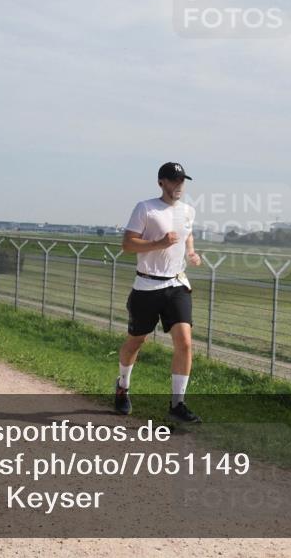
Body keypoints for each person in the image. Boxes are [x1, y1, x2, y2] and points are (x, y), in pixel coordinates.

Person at [114, 162, 202, 423]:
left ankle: (177, 404)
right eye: (173, 181)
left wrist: (191, 253)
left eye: (181, 181)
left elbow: (187, 235)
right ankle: (122, 386)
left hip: (176, 284)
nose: (178, 186)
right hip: (147, 285)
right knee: (136, 342)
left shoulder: (188, 211)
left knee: (185, 342)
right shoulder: (146, 208)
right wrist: (158, 243)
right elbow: (128, 244)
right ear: (161, 182)